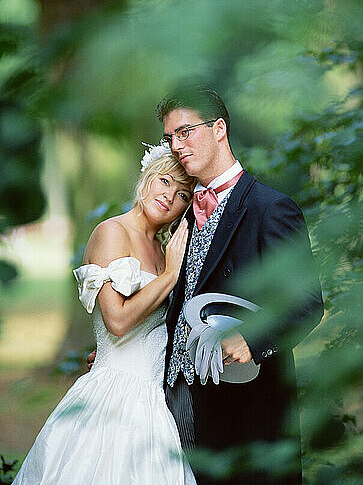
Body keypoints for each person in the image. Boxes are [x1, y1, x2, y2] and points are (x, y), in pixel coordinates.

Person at [155, 87, 324, 485]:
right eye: (169, 138)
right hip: (178, 401)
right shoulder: (180, 216)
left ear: (219, 129)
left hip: (245, 405)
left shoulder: (271, 208)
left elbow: (307, 302)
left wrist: (251, 337)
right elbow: (176, 303)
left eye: (185, 132)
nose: (176, 146)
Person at [12, 151, 198, 485]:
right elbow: (117, 321)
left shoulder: (161, 248)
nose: (169, 196)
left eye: (182, 193)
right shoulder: (112, 232)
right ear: (146, 178)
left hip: (155, 398)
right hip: (116, 395)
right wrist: (170, 276)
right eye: (165, 181)